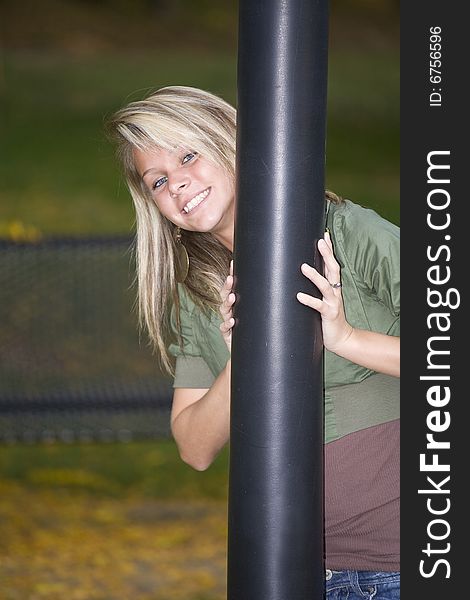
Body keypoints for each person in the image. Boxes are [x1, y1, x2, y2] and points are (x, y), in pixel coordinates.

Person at [107, 85, 400, 599]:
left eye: (188, 156)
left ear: (229, 142)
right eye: (158, 181)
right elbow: (194, 448)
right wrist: (242, 358)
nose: (178, 184)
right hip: (296, 574)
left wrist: (346, 337)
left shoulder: (347, 234)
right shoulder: (201, 294)